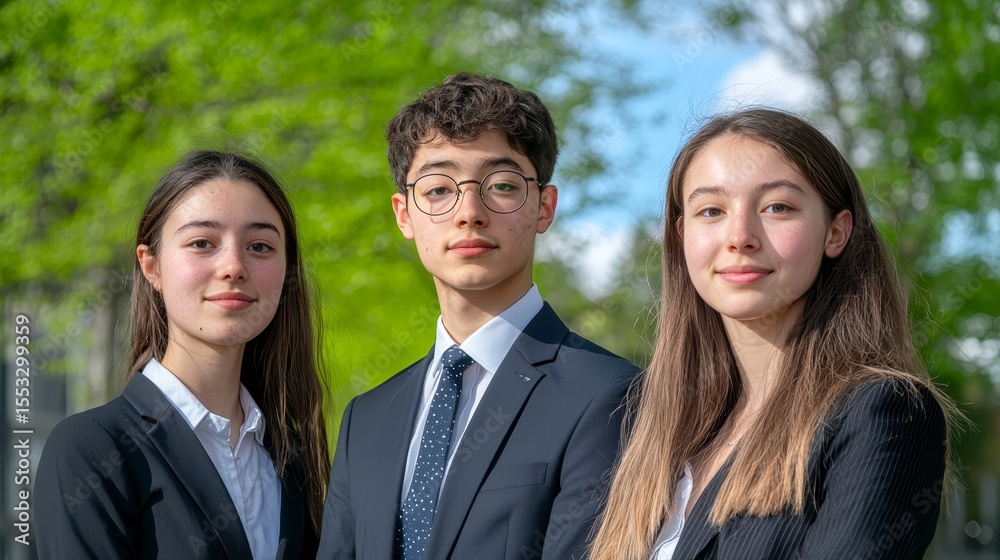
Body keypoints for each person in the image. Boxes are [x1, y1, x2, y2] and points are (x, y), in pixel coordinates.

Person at [589, 108, 960, 560]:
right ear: (682, 235)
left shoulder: (883, 411)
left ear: (836, 232)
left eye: (777, 207)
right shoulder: (653, 428)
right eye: (711, 210)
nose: (740, 237)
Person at [317, 72, 640, 560]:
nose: (469, 212)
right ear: (404, 214)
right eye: (438, 190)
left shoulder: (611, 395)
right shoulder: (366, 418)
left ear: (544, 207)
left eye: (502, 185)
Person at [35, 150, 330, 559]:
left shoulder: (294, 459)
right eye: (201, 243)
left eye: (260, 246)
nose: (234, 266)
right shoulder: (92, 449)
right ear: (151, 266)